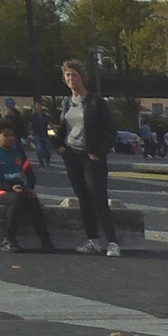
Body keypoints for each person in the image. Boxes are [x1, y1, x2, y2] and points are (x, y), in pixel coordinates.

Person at [59, 60, 121, 255]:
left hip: (91, 156)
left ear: (82, 77)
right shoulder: (66, 102)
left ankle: (112, 242)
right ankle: (92, 240)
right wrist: (59, 145)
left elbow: (110, 131)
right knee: (83, 198)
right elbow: (61, 127)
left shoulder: (97, 102)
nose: (70, 79)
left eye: (74, 75)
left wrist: (99, 152)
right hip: (72, 155)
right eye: (67, 75)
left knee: (98, 198)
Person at [0, 121, 56, 252]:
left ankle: (45, 241)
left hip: (17, 187)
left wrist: (29, 187)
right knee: (17, 200)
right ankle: (8, 240)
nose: (11, 138)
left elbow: (30, 174)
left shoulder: (18, 152)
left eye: (12, 135)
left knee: (34, 202)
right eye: (6, 135)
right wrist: (10, 188)